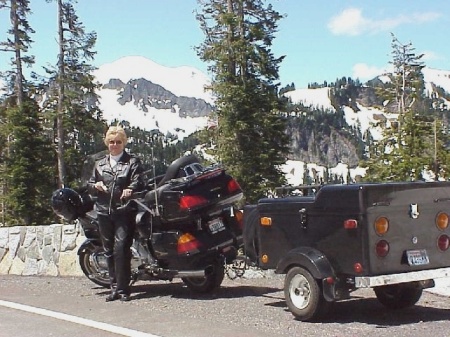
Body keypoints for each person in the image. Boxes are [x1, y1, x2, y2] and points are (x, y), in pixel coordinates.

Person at [87, 126, 145, 302]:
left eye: (118, 142)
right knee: (108, 250)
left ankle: (124, 289)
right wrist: (95, 186)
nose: (114, 145)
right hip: (104, 211)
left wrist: (130, 189)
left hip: (124, 211)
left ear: (124, 143)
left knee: (121, 249)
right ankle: (114, 288)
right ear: (107, 143)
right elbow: (90, 183)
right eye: (111, 142)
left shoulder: (132, 162)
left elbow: (140, 181)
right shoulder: (100, 164)